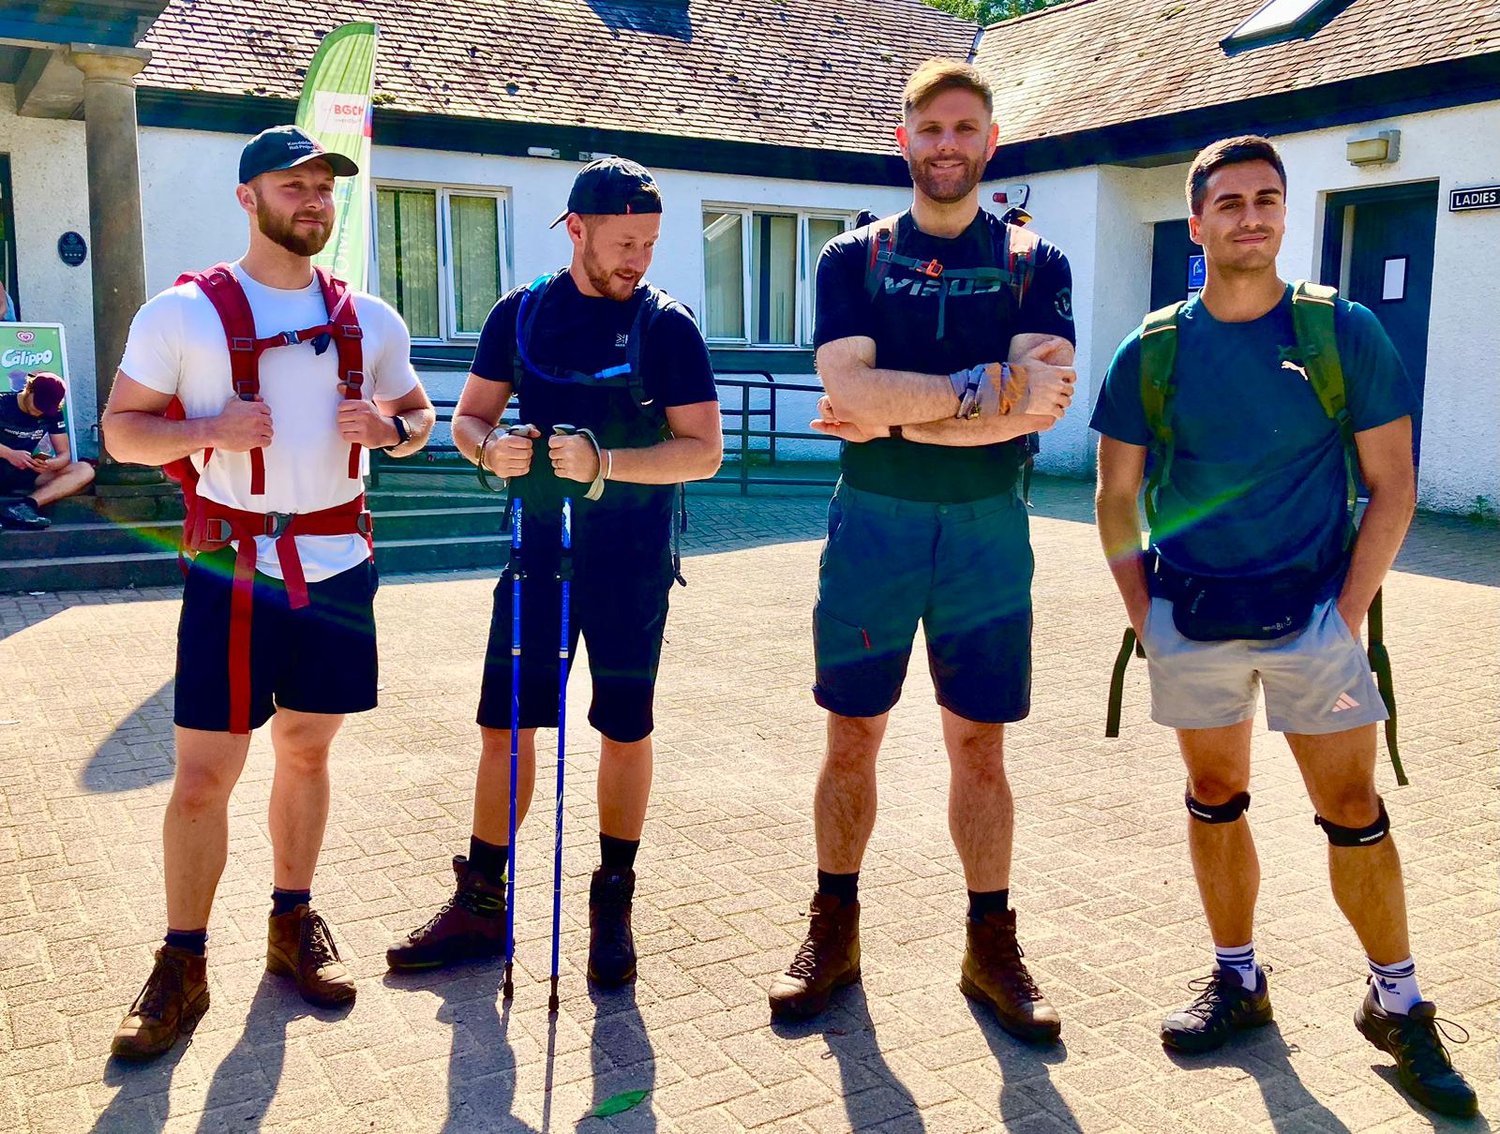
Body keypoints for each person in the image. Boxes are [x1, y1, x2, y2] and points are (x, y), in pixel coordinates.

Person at [1092, 136, 1475, 1117]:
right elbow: (1116, 495)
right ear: (1198, 223)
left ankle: (1398, 1000)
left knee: (1354, 811)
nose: (1250, 217)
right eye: (1230, 203)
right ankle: (1239, 980)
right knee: (1215, 793)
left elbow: (1394, 487)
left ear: (1283, 215)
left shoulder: (1341, 334)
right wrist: (1150, 618)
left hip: (1315, 618)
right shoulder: (1156, 349)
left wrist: (1344, 616)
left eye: (1267, 200)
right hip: (1197, 619)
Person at [100, 125, 435, 1060]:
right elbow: (121, 433)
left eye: (325, 187)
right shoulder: (181, 314)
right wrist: (209, 426)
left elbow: (417, 419)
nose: (315, 201)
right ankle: (182, 961)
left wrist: (392, 429)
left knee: (308, 754)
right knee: (204, 779)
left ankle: (292, 925)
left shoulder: (371, 318)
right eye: (295, 186)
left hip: (337, 570)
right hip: (230, 569)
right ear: (248, 199)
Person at [766, 59, 1077, 1042]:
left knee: (978, 743)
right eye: (928, 129)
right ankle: (833, 930)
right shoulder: (850, 259)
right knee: (851, 735)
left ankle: (992, 947)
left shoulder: (1037, 261)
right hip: (875, 525)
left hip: (989, 526)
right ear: (903, 140)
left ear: (989, 144)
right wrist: (981, 392)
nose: (946, 145)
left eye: (963, 129)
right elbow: (845, 390)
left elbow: (1047, 397)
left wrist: (898, 412)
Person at [386, 158, 721, 989]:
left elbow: (703, 451)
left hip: (632, 562)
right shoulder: (521, 314)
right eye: (622, 243)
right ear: (575, 229)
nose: (637, 260)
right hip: (536, 556)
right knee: (508, 726)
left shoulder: (668, 327)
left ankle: (613, 898)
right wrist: (487, 450)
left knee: (623, 726)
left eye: (648, 243)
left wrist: (604, 462)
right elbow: (466, 418)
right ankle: (482, 898)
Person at [0, 372, 94, 529]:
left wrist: (50, 464)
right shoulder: (3, 402)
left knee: (84, 470)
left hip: (24, 472)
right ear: (29, 389)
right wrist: (9, 454)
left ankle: (24, 507)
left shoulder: (53, 412)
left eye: (46, 409)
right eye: (38, 405)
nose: (40, 412)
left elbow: (64, 455)